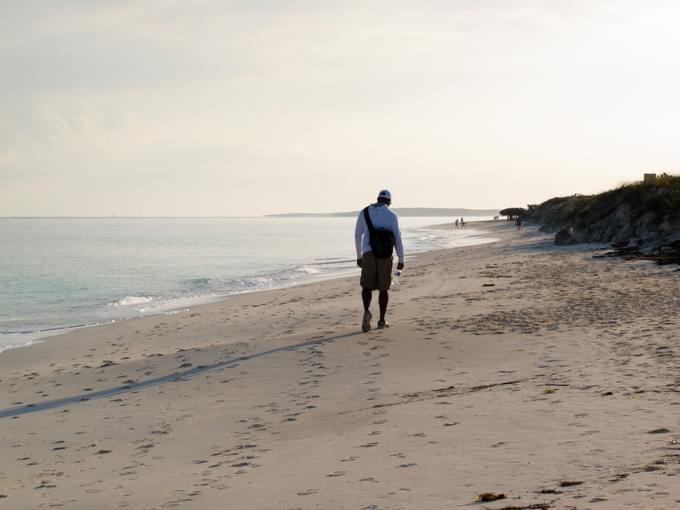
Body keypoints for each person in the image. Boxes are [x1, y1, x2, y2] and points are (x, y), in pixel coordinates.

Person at [355, 189, 405, 332]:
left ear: (377, 199)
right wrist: (401, 259)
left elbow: (358, 236)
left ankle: (366, 310)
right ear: (389, 201)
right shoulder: (392, 215)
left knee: (366, 286)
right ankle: (382, 320)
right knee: (384, 288)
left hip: (369, 254)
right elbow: (397, 239)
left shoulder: (364, 212)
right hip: (385, 256)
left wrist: (359, 256)